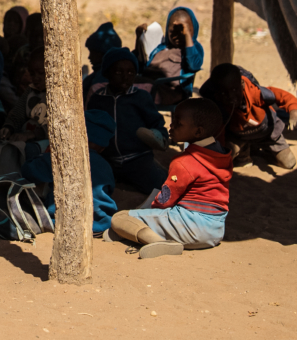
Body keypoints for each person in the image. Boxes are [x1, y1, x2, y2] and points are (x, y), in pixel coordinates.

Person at [109, 98, 232, 257]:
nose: (171, 126)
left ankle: (158, 242)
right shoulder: (222, 155)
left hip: (189, 227)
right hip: (215, 231)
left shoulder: (184, 162)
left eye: (178, 123)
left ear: (198, 132)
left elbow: (165, 200)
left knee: (120, 218)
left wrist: (147, 213)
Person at [22, 110, 117, 233]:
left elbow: (27, 171)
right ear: (103, 148)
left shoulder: (61, 157)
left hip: (63, 224)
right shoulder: (105, 166)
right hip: (101, 224)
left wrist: (46, 154)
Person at [89, 48, 169, 194]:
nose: (125, 77)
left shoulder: (141, 97)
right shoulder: (98, 99)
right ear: (107, 73)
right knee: (96, 185)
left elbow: (156, 122)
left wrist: (160, 136)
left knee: (160, 189)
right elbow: (91, 125)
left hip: (138, 158)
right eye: (118, 72)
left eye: (131, 72)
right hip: (108, 159)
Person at [199, 64, 297, 169]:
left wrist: (293, 111)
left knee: (289, 163)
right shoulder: (219, 106)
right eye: (223, 93)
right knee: (225, 157)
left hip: (268, 134)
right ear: (216, 94)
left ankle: (264, 151)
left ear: (242, 84)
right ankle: (244, 153)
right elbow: (219, 132)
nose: (230, 96)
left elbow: (281, 95)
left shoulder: (254, 92)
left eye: (234, 90)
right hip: (239, 137)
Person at [136, 7, 203, 104]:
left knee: (134, 90)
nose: (177, 36)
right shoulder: (161, 48)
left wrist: (187, 36)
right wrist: (139, 38)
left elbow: (194, 65)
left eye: (183, 32)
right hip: (149, 85)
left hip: (171, 92)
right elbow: (140, 65)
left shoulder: (193, 49)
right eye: (172, 32)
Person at [0, 47, 48, 141]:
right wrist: (9, 127)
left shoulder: (58, 94)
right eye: (32, 74)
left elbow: (57, 124)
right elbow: (18, 112)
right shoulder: (30, 90)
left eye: (41, 73)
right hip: (25, 136)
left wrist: (32, 134)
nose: (35, 78)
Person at [83, 22, 121, 104]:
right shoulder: (94, 76)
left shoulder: (102, 78)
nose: (89, 57)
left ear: (103, 54)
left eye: (92, 53)